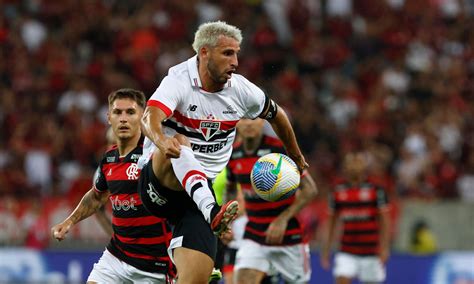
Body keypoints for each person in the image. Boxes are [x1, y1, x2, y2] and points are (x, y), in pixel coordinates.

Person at [137, 20, 309, 283]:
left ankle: (200, 228)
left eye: (237, 53)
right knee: (181, 142)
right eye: (228, 53)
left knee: (195, 279)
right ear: (204, 52)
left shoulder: (241, 90)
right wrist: (161, 141)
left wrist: (295, 156)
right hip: (160, 182)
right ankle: (211, 210)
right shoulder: (178, 80)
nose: (236, 62)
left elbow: (278, 115)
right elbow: (150, 116)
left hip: (195, 201)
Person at [51, 89, 175, 283]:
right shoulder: (109, 159)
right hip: (117, 255)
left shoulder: (154, 156)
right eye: (118, 112)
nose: (123, 119)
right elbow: (96, 196)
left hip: (154, 264)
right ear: (109, 118)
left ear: (143, 117)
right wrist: (69, 222)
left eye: (130, 112)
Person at [225, 118, 317, 284]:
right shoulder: (233, 154)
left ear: (262, 122)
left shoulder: (279, 149)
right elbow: (230, 189)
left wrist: (282, 219)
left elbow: (310, 189)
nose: (249, 124)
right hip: (253, 233)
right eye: (244, 119)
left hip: (287, 236)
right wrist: (227, 221)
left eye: (254, 119)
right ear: (237, 122)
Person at [321, 151, 391, 284]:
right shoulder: (337, 191)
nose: (354, 166)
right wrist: (326, 249)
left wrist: (385, 248)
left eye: (357, 162)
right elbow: (331, 222)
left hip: (371, 251)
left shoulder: (376, 190)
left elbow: (385, 221)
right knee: (341, 278)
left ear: (364, 166)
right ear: (345, 167)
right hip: (346, 250)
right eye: (350, 162)